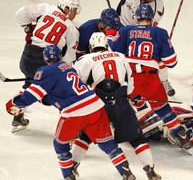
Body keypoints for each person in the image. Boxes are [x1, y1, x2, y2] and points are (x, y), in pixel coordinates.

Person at [5, 45, 135, 180]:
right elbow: (56, 94)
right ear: (60, 56)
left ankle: (68, 176)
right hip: (95, 106)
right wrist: (44, 98)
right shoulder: (68, 66)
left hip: (74, 113)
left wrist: (14, 103)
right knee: (107, 143)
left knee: (60, 144)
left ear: (45, 59)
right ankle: (127, 173)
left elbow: (30, 96)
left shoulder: (44, 71)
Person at [72, 32, 161, 180]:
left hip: (98, 106)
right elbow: (130, 85)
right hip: (121, 103)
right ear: (107, 46)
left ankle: (72, 167)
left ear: (90, 46)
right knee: (137, 138)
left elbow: (77, 86)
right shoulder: (120, 56)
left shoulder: (83, 60)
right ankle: (150, 171)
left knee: (85, 135)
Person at [108, 3, 192, 149]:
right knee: (163, 109)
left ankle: (135, 120)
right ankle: (180, 134)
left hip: (129, 78)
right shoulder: (160, 32)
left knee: (130, 99)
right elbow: (171, 62)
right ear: (152, 17)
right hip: (149, 79)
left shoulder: (125, 30)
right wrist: (162, 49)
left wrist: (111, 33)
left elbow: (113, 51)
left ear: (136, 17)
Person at [99, 0, 176, 97]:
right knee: (110, 49)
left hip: (136, 32)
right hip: (120, 23)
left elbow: (149, 28)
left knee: (158, 55)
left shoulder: (159, 7)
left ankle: (164, 81)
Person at [12, 0, 81, 133]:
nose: (75, 14)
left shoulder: (45, 8)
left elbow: (20, 14)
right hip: (45, 62)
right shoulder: (72, 28)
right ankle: (72, 129)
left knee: (30, 84)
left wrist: (27, 28)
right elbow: (69, 57)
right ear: (66, 8)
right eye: (74, 10)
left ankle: (18, 116)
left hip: (27, 55)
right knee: (60, 92)